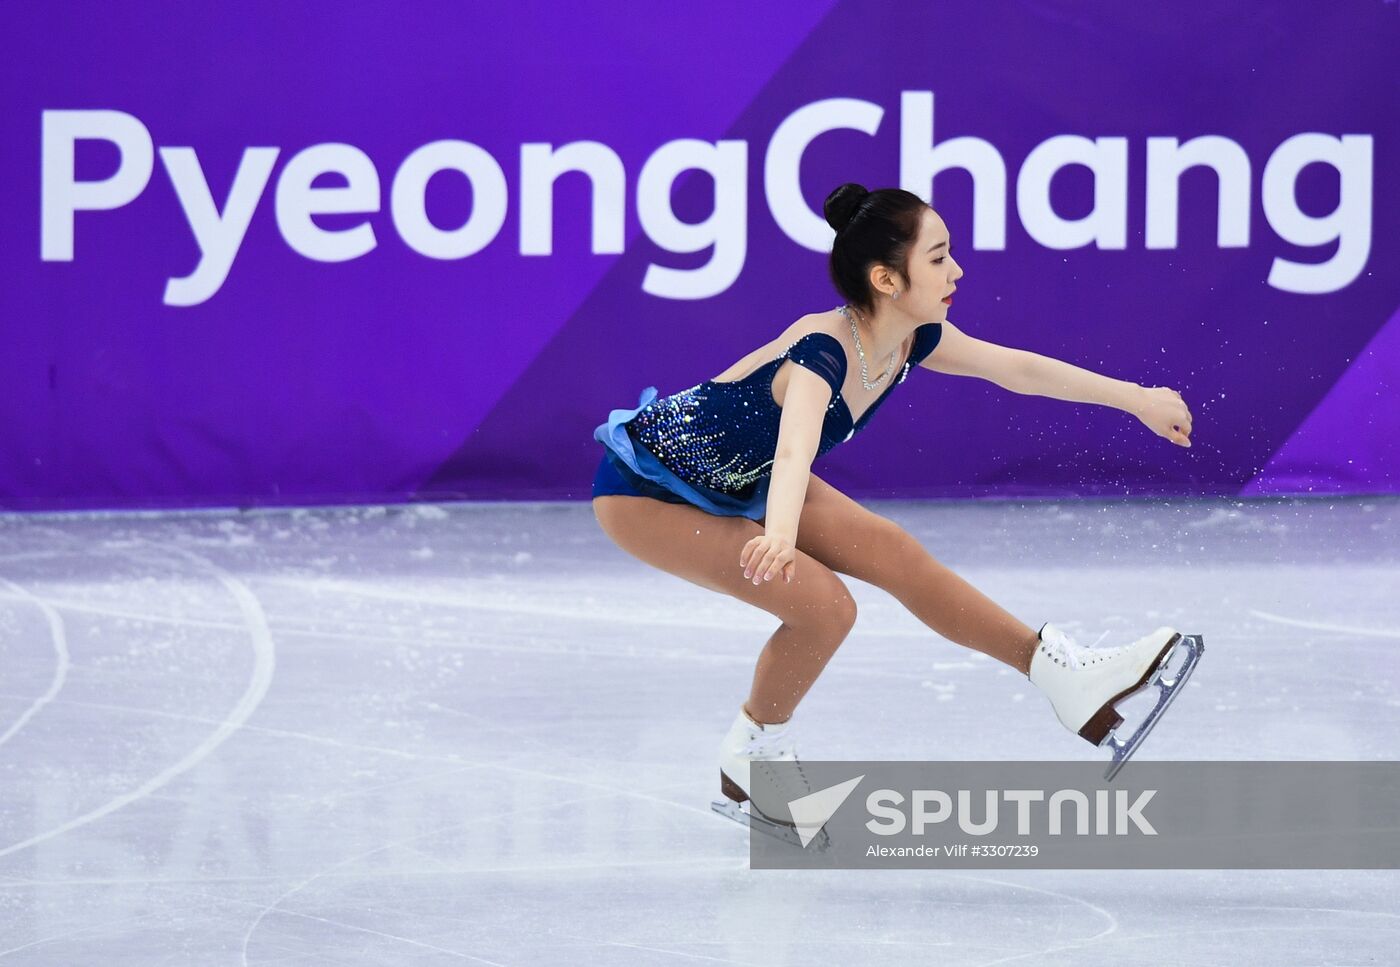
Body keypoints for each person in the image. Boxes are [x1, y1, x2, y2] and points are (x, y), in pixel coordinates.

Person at [591, 183, 1201, 830]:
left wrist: (1137, 397)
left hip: (748, 476)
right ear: (886, 278)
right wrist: (779, 534)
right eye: (937, 258)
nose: (956, 270)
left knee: (894, 553)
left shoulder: (913, 338)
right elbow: (795, 449)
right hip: (646, 488)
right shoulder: (819, 350)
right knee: (825, 607)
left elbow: (1016, 368)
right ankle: (754, 757)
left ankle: (1061, 677)